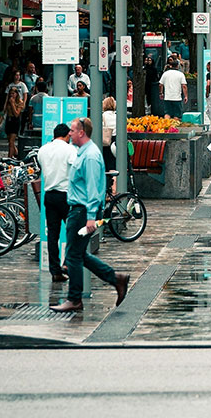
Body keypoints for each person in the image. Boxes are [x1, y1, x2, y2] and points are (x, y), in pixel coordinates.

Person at [50, 117, 130, 312]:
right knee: (77, 254)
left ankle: (75, 299)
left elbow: (94, 188)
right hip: (79, 210)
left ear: (81, 132)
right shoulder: (83, 152)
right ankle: (116, 279)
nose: (69, 133)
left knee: (73, 256)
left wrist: (91, 217)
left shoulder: (91, 156)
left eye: (72, 130)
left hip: (82, 211)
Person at [37, 123, 77, 282]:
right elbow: (76, 168)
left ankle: (55, 271)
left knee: (52, 235)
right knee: (73, 231)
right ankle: (66, 263)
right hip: (66, 195)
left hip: (50, 195)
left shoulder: (43, 150)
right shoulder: (69, 150)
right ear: (67, 135)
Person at [2, 81, 24, 158]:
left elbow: (17, 114)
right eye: (11, 93)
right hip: (9, 120)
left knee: (11, 141)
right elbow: (4, 110)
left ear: (17, 94)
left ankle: (9, 157)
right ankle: (16, 152)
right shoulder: (8, 101)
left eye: (13, 93)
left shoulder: (20, 102)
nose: (12, 95)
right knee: (10, 141)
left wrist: (12, 104)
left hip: (15, 121)